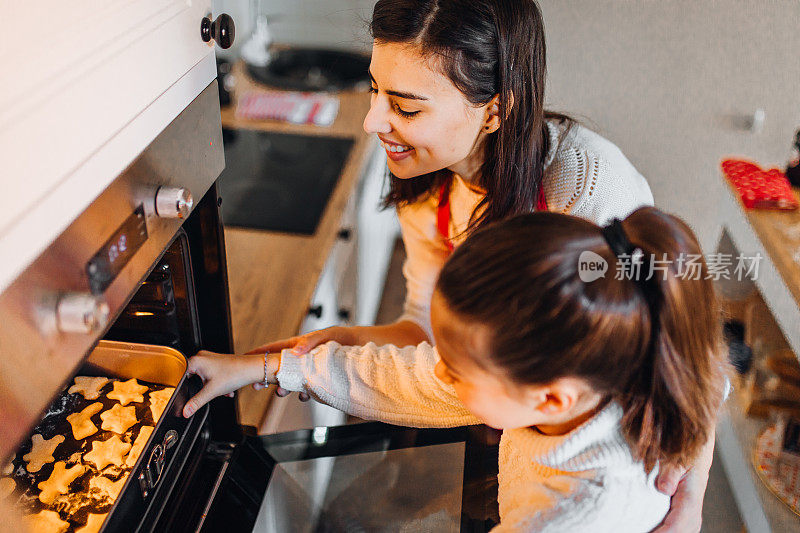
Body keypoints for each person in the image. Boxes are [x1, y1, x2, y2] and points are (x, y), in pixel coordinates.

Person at [248, 1, 711, 529]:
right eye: (375, 89)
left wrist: (691, 495)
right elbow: (430, 331)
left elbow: (682, 331)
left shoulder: (585, 189)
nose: (372, 120)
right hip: (508, 426)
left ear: (495, 109)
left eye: (406, 107)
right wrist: (349, 339)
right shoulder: (428, 184)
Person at [183, 208, 729, 532]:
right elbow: (404, 377)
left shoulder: (581, 508)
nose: (440, 375)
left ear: (551, 400)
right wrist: (268, 368)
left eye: (460, 372)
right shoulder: (600, 369)